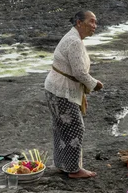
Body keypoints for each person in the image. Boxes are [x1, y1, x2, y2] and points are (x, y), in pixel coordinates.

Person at [44, 11, 104, 179]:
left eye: (95, 22)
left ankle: (63, 165)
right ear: (79, 23)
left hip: (56, 88)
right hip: (60, 90)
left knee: (61, 128)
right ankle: (74, 169)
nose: (94, 25)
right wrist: (94, 84)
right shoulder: (74, 41)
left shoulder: (74, 38)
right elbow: (79, 73)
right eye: (91, 22)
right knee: (75, 128)